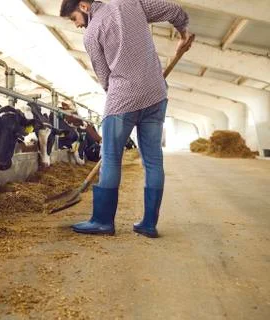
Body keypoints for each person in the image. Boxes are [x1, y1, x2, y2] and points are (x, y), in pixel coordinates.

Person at [60, 0, 192, 238]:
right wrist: (183, 34)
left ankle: (102, 221)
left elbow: (104, 77)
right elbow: (175, 11)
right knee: (153, 160)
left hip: (123, 100)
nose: (77, 25)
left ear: (83, 6)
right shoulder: (131, 3)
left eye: (73, 18)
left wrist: (123, 92)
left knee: (110, 157)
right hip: (156, 94)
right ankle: (149, 224)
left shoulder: (91, 34)